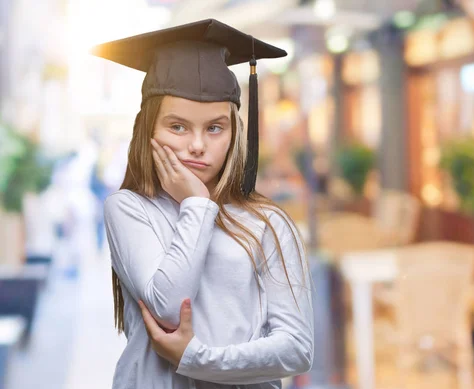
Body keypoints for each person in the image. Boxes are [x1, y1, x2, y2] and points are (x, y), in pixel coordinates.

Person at [95, 19, 314, 389]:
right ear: (149, 128)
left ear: (234, 133)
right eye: (177, 126)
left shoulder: (268, 223)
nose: (197, 145)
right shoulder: (129, 209)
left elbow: (297, 349)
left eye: (214, 127)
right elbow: (167, 308)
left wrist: (198, 360)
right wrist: (197, 204)